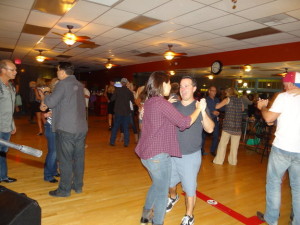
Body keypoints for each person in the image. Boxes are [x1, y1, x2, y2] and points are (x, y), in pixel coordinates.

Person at [135, 71, 204, 225]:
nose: (171, 86)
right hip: (158, 156)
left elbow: (145, 122)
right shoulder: (162, 104)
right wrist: (199, 109)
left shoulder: (150, 102)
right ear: (162, 84)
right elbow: (184, 123)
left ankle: (145, 215)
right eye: (169, 83)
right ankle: (156, 222)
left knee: (157, 185)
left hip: (146, 154)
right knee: (161, 192)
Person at [167, 76, 214, 225]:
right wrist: (165, 106)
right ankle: (173, 198)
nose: (183, 89)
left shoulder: (199, 106)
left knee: (189, 188)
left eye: (187, 86)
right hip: (172, 153)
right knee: (170, 183)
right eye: (181, 86)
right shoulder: (173, 106)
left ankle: (189, 215)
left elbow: (210, 128)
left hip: (190, 156)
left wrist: (203, 111)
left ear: (194, 88)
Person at [256, 72, 300, 225]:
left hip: (282, 148)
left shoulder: (284, 97)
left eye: (285, 83)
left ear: (290, 84)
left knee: (274, 183)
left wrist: (263, 108)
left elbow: (268, 118)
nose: (284, 86)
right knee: (298, 188)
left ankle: (272, 219)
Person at [41, 62, 88, 197]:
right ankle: (78, 186)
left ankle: (64, 190)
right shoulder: (79, 85)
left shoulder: (63, 84)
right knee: (79, 159)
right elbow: (67, 103)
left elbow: (50, 102)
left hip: (67, 128)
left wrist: (46, 92)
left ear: (62, 72)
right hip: (81, 127)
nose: (57, 73)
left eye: (57, 70)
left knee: (65, 160)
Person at [213, 87, 244, 165]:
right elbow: (242, 109)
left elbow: (217, 107)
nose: (225, 94)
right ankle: (233, 162)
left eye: (226, 93)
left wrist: (217, 104)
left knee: (223, 144)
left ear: (229, 93)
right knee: (235, 146)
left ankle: (219, 161)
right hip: (237, 127)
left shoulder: (227, 99)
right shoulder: (240, 100)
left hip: (228, 126)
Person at [0, 59, 17, 183]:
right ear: (3, 70)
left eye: (15, 70)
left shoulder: (11, 86)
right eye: (12, 70)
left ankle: (3, 176)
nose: (15, 72)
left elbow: (9, 108)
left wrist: (13, 123)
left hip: (7, 125)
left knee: (2, 152)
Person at [40, 78, 59, 183]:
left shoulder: (62, 96)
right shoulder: (51, 96)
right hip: (51, 126)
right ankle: (48, 175)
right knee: (53, 152)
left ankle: (54, 171)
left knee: (57, 151)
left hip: (60, 126)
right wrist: (45, 95)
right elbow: (43, 108)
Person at [109, 78, 134, 147]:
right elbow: (133, 101)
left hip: (118, 111)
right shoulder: (129, 92)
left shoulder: (117, 90)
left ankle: (112, 142)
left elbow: (112, 99)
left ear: (121, 83)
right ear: (126, 83)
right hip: (126, 112)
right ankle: (126, 143)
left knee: (115, 127)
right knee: (126, 127)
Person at [202, 86, 220, 156]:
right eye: (213, 91)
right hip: (207, 119)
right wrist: (212, 112)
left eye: (215, 91)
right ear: (209, 91)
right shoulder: (205, 100)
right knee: (203, 136)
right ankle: (201, 151)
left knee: (216, 136)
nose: (214, 92)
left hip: (215, 120)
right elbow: (204, 109)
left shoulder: (217, 100)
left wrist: (218, 112)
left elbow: (220, 108)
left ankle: (212, 151)